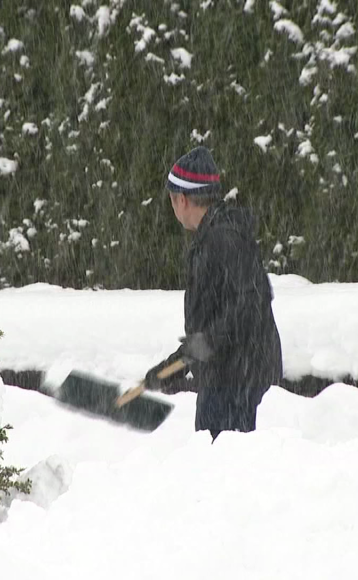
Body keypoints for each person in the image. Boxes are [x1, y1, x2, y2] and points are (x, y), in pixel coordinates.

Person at [145, 145, 283, 439]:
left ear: (182, 199)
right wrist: (176, 365)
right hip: (227, 379)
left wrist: (197, 351)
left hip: (239, 387)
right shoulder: (215, 236)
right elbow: (218, 321)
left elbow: (249, 305)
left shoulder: (224, 238)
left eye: (171, 200)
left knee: (224, 476)